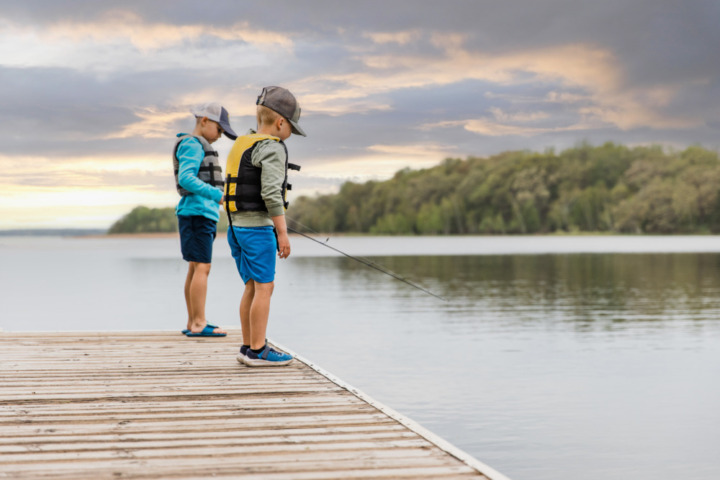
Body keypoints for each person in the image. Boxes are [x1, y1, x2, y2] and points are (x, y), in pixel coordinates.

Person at [224, 86, 306, 366]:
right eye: (291, 128)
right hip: (256, 229)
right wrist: (282, 232)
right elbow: (272, 194)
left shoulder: (242, 142)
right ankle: (259, 350)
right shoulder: (271, 147)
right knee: (265, 287)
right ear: (281, 122)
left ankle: (247, 347)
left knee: (251, 286)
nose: (290, 134)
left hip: (235, 228)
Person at [174, 103, 237, 337]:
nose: (220, 136)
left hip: (199, 214)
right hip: (197, 213)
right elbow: (187, 178)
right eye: (219, 130)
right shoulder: (192, 144)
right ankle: (199, 322)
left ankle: (193, 322)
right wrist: (217, 195)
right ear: (204, 121)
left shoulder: (197, 144)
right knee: (203, 266)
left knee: (195, 266)